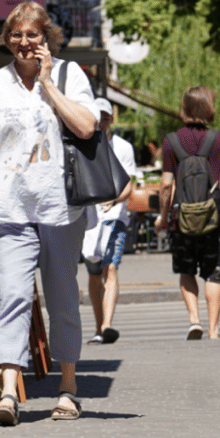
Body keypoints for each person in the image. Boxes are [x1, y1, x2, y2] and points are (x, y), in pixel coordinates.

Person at [0, 0, 100, 427]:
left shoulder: (71, 75)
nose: (24, 42)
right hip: (8, 207)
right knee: (14, 296)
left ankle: (68, 388)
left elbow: (86, 127)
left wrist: (48, 83)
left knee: (61, 300)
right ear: (7, 40)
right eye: (16, 35)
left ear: (47, 38)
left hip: (59, 208)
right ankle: (7, 393)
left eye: (32, 34)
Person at [156, 86, 220, 340]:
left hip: (180, 219)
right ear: (209, 107)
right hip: (212, 218)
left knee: (186, 270)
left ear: (185, 108)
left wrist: (163, 216)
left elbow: (166, 184)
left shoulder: (171, 141)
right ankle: (214, 330)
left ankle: (195, 320)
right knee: (213, 273)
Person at [83, 99, 137, 345]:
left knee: (111, 267)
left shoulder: (123, 147)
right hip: (90, 220)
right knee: (94, 274)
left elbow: (129, 183)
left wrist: (114, 201)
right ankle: (98, 325)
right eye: (98, 117)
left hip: (115, 217)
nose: (102, 122)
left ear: (111, 120)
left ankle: (107, 325)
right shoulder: (84, 145)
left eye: (106, 118)